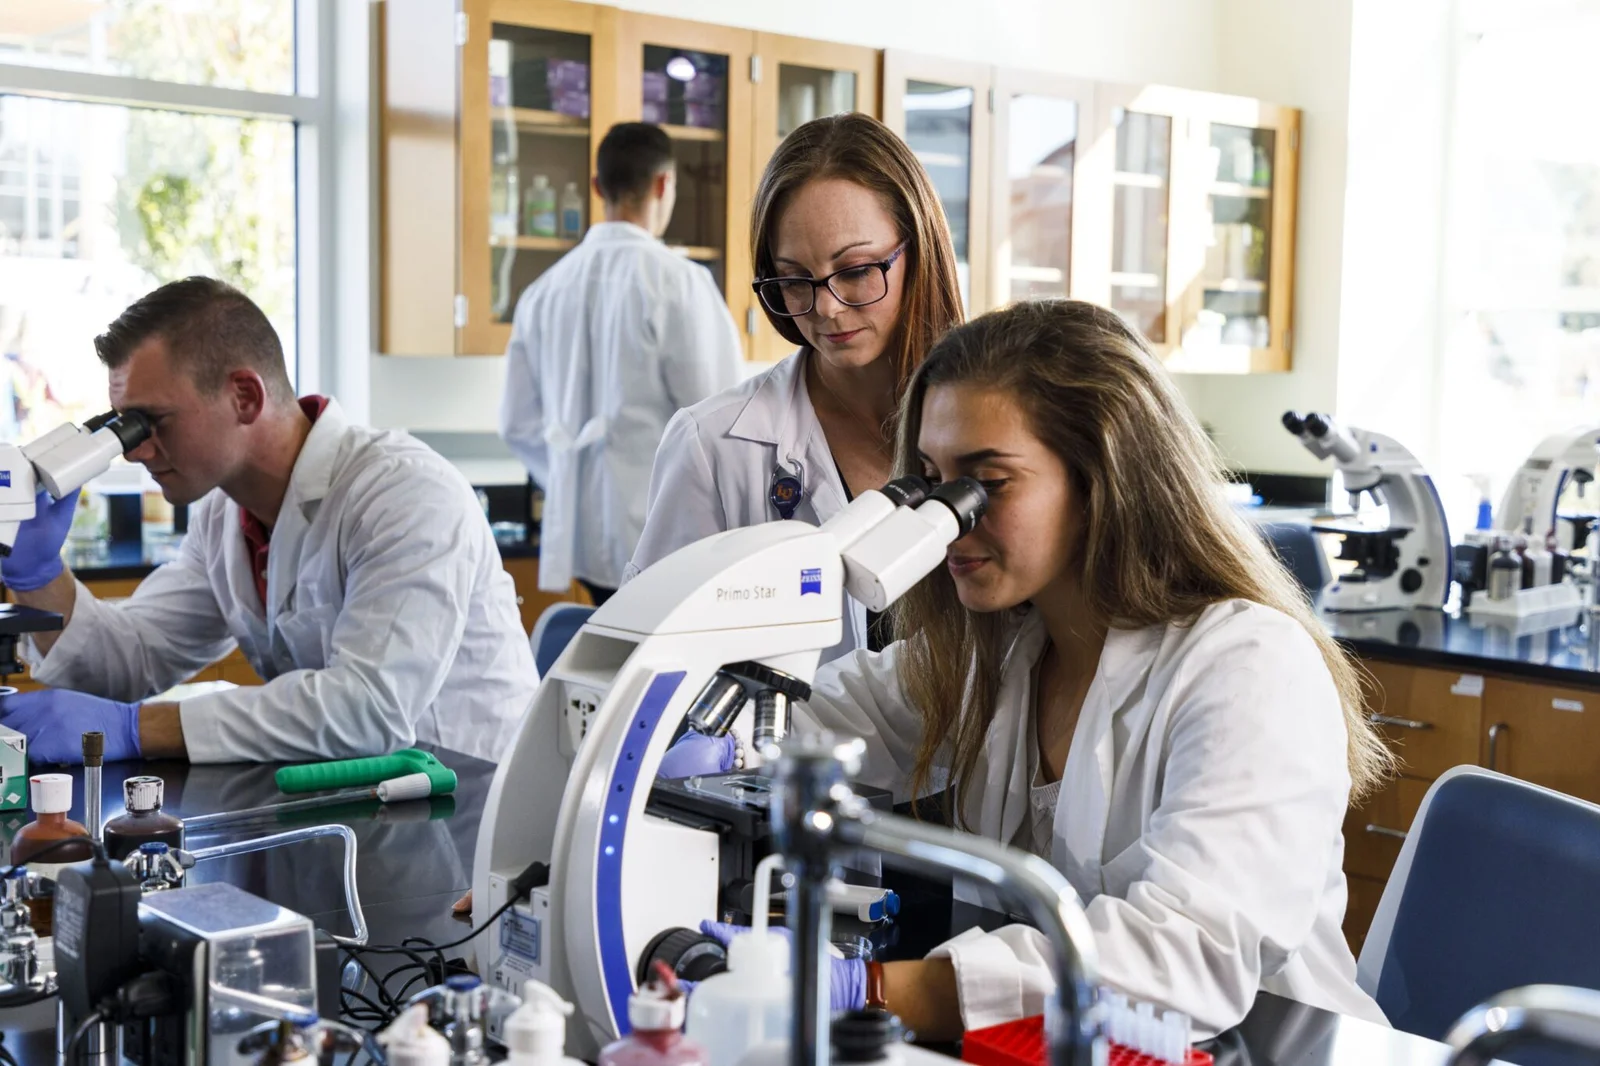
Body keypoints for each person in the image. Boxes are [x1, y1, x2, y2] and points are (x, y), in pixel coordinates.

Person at [667, 300, 1396, 1038]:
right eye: (930, 481)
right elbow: (816, 717)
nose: (948, 522)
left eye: (988, 483)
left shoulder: (1249, 668)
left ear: (1102, 479)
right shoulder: (1003, 651)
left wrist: (870, 990)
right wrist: (699, 730)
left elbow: (1182, 956)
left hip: (1266, 1046)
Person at [0, 277, 537, 765]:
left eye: (151, 422)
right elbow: (135, 658)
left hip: (472, 805)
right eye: (126, 427)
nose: (135, 453)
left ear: (245, 396)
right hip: (364, 800)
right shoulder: (222, 515)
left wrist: (136, 727)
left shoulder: (404, 494)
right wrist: (39, 575)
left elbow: (368, 709)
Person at [626, 112, 963, 659]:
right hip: (777, 745)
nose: (825, 309)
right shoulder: (714, 446)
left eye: (855, 270)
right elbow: (650, 661)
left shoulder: (998, 422)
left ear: (919, 252)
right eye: (794, 279)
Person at [500, 122, 741, 607]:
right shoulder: (679, 284)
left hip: (583, 542)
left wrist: (574, 477)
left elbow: (517, 423)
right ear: (663, 184)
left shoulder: (542, 291)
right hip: (666, 538)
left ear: (597, 187)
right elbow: (722, 420)